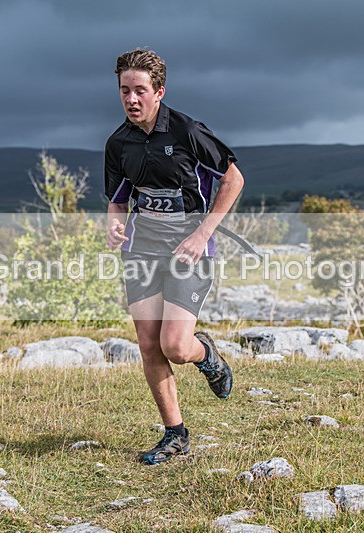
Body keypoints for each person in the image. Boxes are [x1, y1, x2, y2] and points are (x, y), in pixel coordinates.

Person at [104, 49, 244, 465]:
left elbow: (234, 177)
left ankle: (208, 357)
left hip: (188, 248)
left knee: (176, 346)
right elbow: (117, 198)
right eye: (125, 90)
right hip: (142, 249)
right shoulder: (118, 143)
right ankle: (175, 434)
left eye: (140, 91)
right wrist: (114, 224)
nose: (131, 99)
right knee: (149, 344)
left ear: (159, 91)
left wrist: (204, 233)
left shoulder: (187, 131)